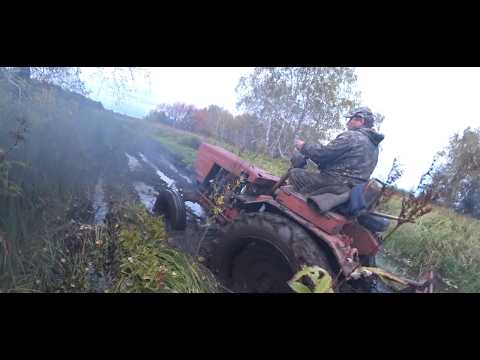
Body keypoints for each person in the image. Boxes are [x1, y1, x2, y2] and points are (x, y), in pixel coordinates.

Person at [289, 107, 384, 196]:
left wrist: (303, 146)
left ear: (360, 120)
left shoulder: (352, 136)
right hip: (352, 190)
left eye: (350, 119)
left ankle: (297, 200)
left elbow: (323, 154)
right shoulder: (375, 147)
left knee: (295, 174)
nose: (348, 123)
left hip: (335, 184)